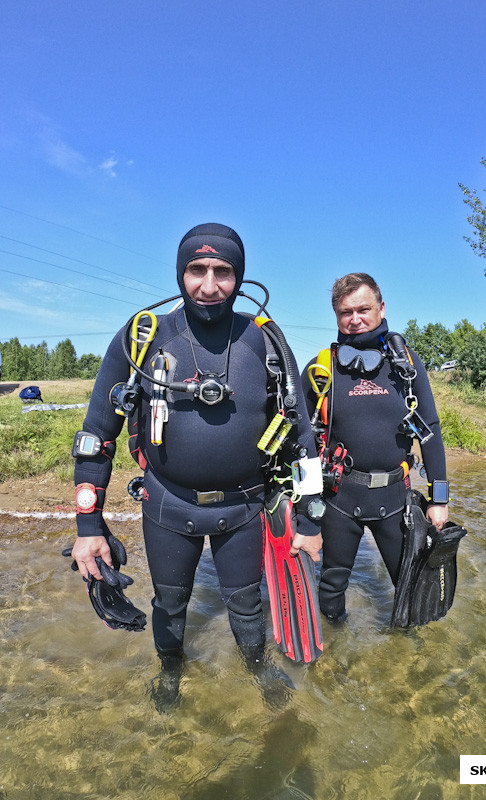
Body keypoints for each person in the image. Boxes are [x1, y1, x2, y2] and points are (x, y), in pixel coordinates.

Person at [70, 223, 322, 708]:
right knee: (169, 603)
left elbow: (302, 435)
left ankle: (258, 667)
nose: (209, 285)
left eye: (223, 271)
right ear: (180, 273)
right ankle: (170, 672)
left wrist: (309, 519)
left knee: (248, 604)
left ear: (240, 276)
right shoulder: (144, 336)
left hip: (245, 506)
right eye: (196, 269)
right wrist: (88, 525)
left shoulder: (264, 341)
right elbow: (96, 433)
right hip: (167, 505)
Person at [301, 272, 448, 623]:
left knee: (409, 587)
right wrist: (306, 513)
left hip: (395, 499)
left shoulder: (407, 365)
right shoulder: (321, 369)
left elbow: (431, 430)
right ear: (336, 315)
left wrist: (439, 498)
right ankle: (335, 658)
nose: (354, 320)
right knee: (332, 588)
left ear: (382, 308)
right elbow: (302, 444)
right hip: (339, 499)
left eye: (363, 309)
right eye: (344, 312)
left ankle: (410, 662)